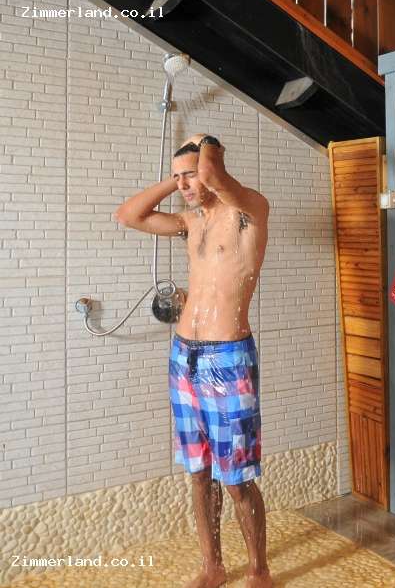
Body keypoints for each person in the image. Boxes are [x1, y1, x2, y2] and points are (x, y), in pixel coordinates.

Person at [114, 134, 272, 588]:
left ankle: (259, 571)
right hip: (184, 357)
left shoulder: (248, 211)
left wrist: (202, 151)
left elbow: (213, 176)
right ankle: (213, 566)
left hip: (228, 358)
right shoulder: (190, 221)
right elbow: (128, 215)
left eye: (190, 175)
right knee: (199, 472)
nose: (184, 184)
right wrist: (177, 177)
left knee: (235, 477)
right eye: (177, 176)